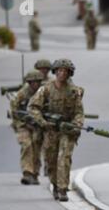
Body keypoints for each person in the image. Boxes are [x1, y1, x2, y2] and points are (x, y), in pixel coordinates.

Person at [28, 59, 84, 202]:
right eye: (59, 70)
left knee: (64, 158)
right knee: (51, 160)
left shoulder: (74, 91)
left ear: (69, 73)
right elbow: (33, 107)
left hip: (67, 129)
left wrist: (76, 124)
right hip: (50, 130)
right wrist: (43, 122)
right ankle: (54, 183)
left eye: (65, 71)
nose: (61, 74)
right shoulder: (46, 89)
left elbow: (79, 112)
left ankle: (63, 188)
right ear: (55, 72)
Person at [10, 70, 45, 185]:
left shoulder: (44, 93)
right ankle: (27, 173)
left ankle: (35, 173)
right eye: (32, 82)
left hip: (38, 126)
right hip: (23, 125)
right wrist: (20, 124)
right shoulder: (22, 94)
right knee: (27, 145)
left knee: (36, 148)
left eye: (37, 82)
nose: (35, 84)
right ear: (29, 83)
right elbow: (14, 110)